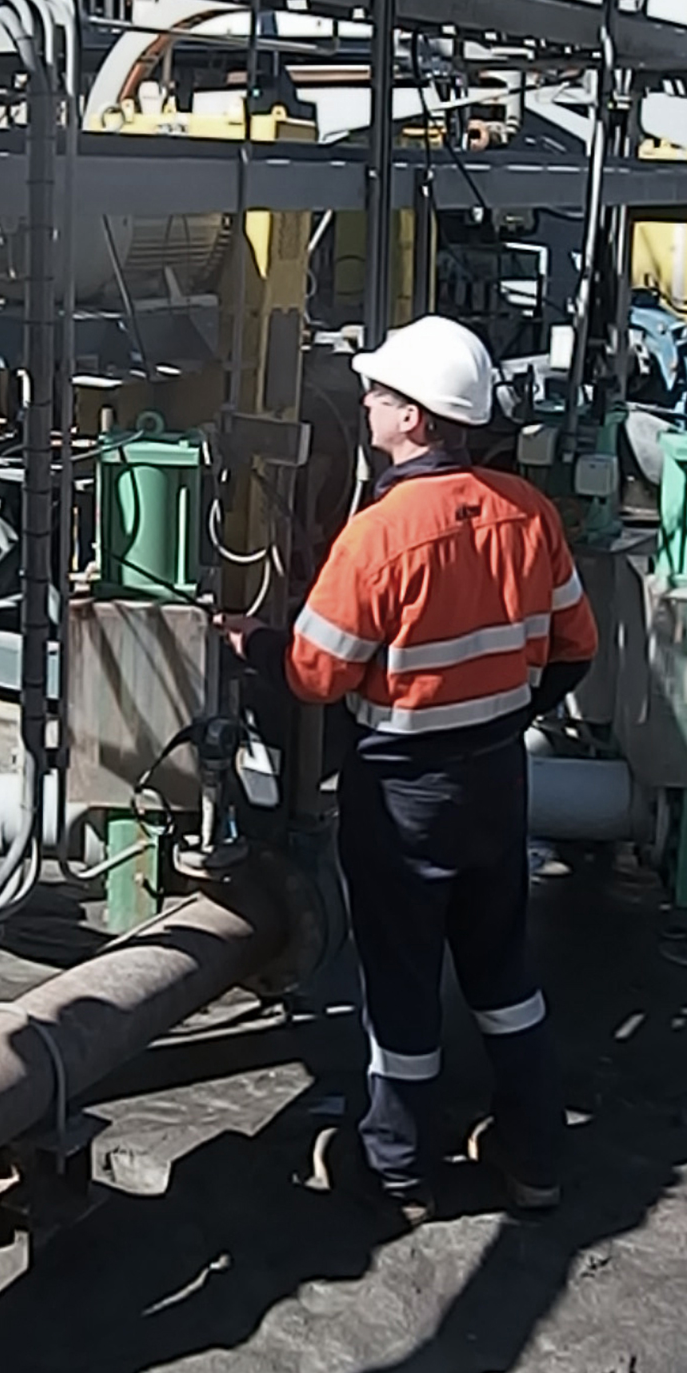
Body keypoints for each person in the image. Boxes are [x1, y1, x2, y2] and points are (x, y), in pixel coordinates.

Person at [222, 315, 598, 1217]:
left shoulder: (380, 535)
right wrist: (503, 715)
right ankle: (533, 1154)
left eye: (382, 396)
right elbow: (575, 650)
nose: (368, 404)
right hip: (497, 780)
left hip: (402, 794)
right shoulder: (528, 513)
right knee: (503, 970)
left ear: (419, 422)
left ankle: (398, 1168)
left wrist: (249, 643)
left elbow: (316, 675)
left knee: (398, 982)